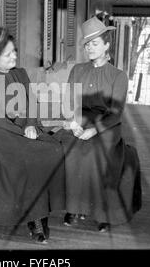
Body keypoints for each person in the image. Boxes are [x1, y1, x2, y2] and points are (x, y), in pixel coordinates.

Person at [0, 26, 65, 244]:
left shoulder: (21, 74)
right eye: (8, 54)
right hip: (1, 136)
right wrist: (23, 132)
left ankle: (39, 212)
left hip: (24, 130)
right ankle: (36, 219)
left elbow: (32, 105)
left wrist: (32, 125)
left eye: (14, 51)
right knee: (32, 156)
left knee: (53, 149)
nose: (15, 56)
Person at [54, 16, 142, 232]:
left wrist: (94, 131)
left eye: (95, 44)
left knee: (97, 152)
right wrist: (73, 123)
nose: (90, 49)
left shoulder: (118, 76)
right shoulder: (78, 70)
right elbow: (68, 102)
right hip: (80, 119)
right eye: (87, 44)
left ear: (107, 46)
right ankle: (73, 207)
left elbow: (116, 113)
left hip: (106, 125)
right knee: (68, 148)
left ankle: (101, 212)